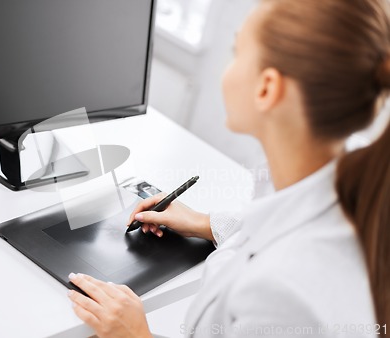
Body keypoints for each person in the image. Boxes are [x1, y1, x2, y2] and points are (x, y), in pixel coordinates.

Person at [66, 0, 390, 336]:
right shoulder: (343, 171)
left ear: (266, 88)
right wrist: (206, 223)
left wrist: (137, 335)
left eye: (237, 52)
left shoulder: (283, 294)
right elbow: (280, 225)